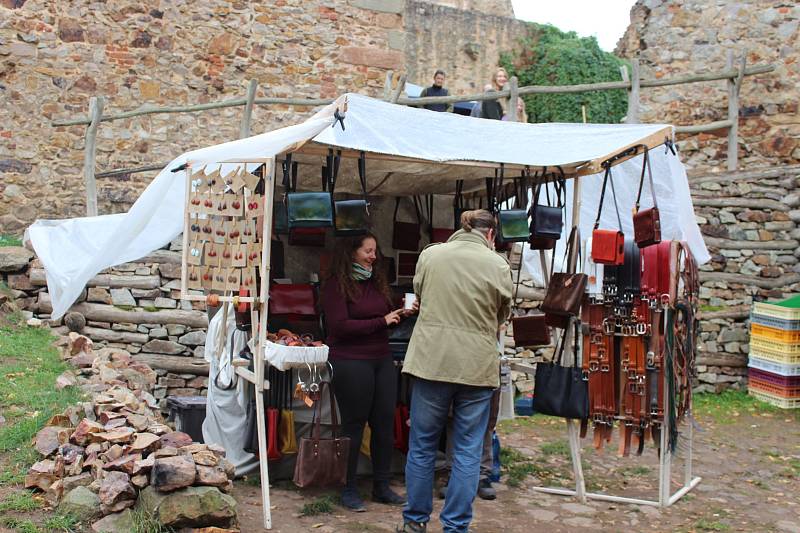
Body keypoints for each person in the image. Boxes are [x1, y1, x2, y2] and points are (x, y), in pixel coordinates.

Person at [398, 210, 513, 533]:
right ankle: (455, 527)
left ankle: (414, 522)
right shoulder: (498, 265)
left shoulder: (431, 255)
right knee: (467, 449)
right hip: (475, 366)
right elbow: (502, 314)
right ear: (490, 235)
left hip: (432, 361)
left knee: (421, 445)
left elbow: (419, 294)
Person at [321, 233, 407, 512]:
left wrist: (399, 315)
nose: (373, 256)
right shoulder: (336, 285)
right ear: (351, 253)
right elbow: (339, 327)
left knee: (384, 424)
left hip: (381, 358)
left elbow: (381, 322)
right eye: (367, 251)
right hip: (350, 359)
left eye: (374, 251)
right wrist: (381, 320)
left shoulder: (377, 283)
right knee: (353, 426)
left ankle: (381, 486)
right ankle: (348, 489)